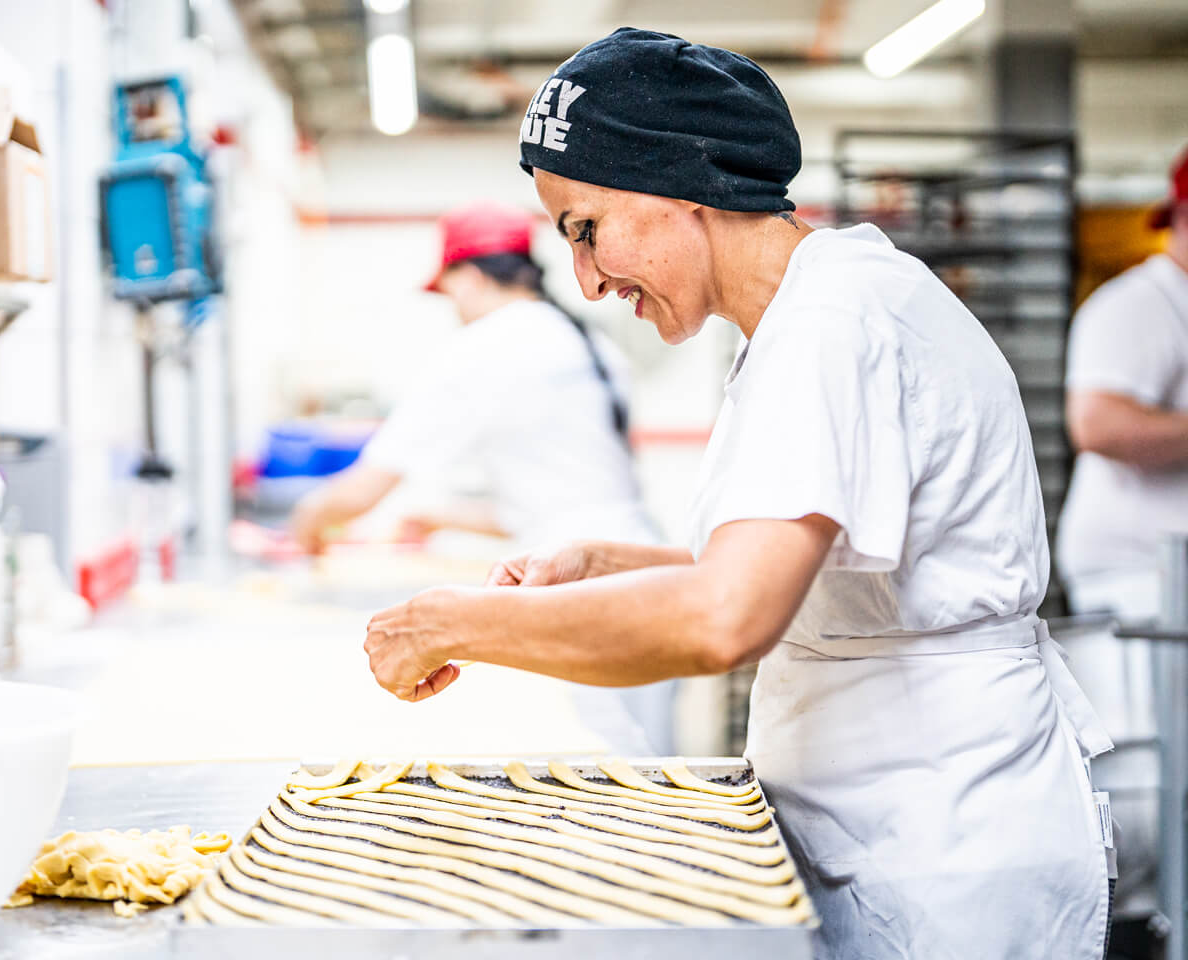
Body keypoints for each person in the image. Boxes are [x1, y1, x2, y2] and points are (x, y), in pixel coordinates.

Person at [362, 28, 1114, 960]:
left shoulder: (832, 324)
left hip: (941, 846)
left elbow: (727, 617)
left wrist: (454, 626)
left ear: (682, 186)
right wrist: (608, 566)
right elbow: (826, 569)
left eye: (587, 229)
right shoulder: (814, 309)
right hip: (892, 818)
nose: (587, 282)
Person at [289, 202, 656, 554]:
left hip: (581, 572)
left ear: (469, 280)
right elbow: (561, 504)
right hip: (639, 554)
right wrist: (436, 518)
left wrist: (306, 520)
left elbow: (365, 489)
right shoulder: (587, 341)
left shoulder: (486, 347)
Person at [1055, 145, 1188, 925]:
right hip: (1137, 584)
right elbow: (1099, 422)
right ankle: (1132, 929)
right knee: (1144, 792)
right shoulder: (1139, 307)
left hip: (1169, 588)